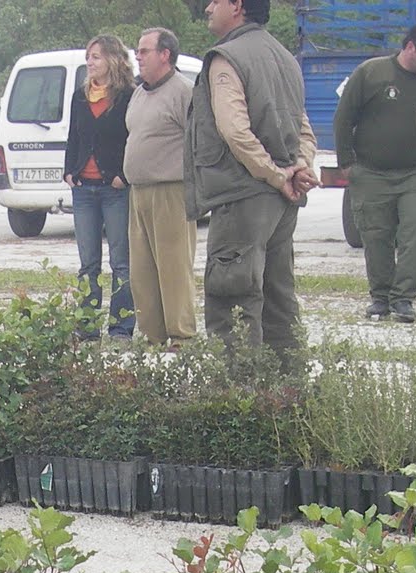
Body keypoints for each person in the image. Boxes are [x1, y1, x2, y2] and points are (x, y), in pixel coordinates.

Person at [185, 0, 318, 354]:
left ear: (237, 5)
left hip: (244, 196)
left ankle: (236, 396)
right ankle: (288, 390)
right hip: (282, 201)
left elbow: (235, 132)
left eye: (215, 1)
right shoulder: (286, 58)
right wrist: (299, 168)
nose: (208, 7)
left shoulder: (227, 57)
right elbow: (303, 127)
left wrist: (276, 176)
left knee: (232, 297)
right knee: (279, 298)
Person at [334, 22, 416, 323]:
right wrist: (347, 163)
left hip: (414, 175)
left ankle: (404, 300)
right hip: (371, 173)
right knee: (376, 237)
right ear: (409, 46)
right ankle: (380, 298)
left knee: (414, 234)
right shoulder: (372, 73)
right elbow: (344, 117)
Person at [124, 28, 196, 345]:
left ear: (164, 54)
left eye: (144, 51)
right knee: (142, 270)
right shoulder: (139, 92)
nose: (137, 57)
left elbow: (199, 143)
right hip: (138, 191)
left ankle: (180, 336)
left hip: (171, 192)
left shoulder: (184, 91)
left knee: (174, 267)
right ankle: (152, 336)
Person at [63, 34, 136, 340]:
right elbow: (74, 137)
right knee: (87, 263)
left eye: (96, 57)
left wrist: (123, 174)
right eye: (88, 56)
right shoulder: (81, 97)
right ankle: (87, 326)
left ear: (113, 60)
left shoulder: (128, 96)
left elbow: (133, 139)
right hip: (84, 188)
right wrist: (70, 170)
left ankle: (121, 327)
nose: (89, 62)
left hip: (114, 188)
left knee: (121, 262)